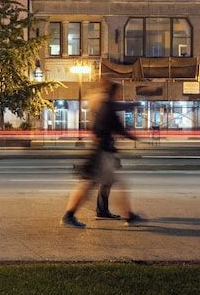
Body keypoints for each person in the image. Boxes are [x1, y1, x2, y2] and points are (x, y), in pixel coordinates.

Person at [61, 77, 146, 228]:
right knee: (103, 184)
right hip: (102, 153)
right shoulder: (108, 107)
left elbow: (102, 126)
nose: (120, 95)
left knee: (88, 184)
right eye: (119, 92)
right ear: (114, 93)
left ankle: (71, 215)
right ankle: (128, 216)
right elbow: (119, 129)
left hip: (99, 151)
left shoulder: (103, 106)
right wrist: (136, 138)